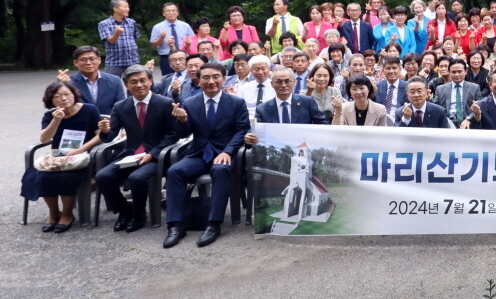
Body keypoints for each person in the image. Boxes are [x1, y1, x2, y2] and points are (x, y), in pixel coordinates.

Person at [163, 61, 250, 248]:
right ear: (198, 80)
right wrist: (183, 120)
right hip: (199, 153)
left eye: (216, 77)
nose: (211, 81)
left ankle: (213, 224)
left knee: (220, 170)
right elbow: (182, 135)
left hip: (225, 152)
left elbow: (242, 130)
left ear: (223, 79)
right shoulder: (190, 102)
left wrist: (228, 151)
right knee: (174, 171)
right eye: (206, 77)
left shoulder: (236, 102)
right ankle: (176, 225)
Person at [94, 65, 181, 231]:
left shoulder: (165, 103)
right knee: (102, 176)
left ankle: (139, 215)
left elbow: (172, 135)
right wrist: (105, 131)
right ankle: (125, 211)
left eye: (143, 80)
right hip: (131, 154)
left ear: (150, 81)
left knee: (137, 178)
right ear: (126, 85)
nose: (139, 85)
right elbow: (111, 136)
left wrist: (153, 154)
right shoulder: (121, 106)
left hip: (158, 156)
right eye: (133, 82)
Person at [21, 82, 102, 233]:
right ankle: (53, 213)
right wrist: (56, 120)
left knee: (66, 177)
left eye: (67, 94)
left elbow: (100, 136)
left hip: (83, 157)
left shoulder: (89, 110)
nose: (63, 99)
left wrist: (80, 150)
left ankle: (67, 214)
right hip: (58, 156)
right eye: (57, 97)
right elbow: (44, 139)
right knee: (41, 176)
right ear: (51, 101)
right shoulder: (50, 115)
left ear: (74, 94)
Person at [58, 46, 126, 116]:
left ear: (99, 60)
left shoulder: (114, 81)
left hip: (109, 124)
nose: (88, 63)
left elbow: (121, 108)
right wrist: (61, 86)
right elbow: (63, 109)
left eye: (92, 59)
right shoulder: (69, 83)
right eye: (83, 60)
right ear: (76, 63)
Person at [253, 68, 330, 125]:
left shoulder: (307, 102)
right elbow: (256, 132)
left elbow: (323, 124)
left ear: (294, 82)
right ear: (272, 84)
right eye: (279, 82)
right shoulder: (262, 109)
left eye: (287, 81)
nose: (283, 85)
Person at [97, 0, 140, 76]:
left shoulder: (131, 22)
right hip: (114, 61)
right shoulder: (104, 24)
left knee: (135, 84)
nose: (128, 9)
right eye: (125, 7)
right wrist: (117, 33)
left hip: (132, 60)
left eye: (128, 7)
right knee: (111, 84)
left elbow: (135, 38)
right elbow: (111, 40)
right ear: (115, 8)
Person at [150, 3, 194, 74]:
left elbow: (193, 41)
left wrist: (188, 43)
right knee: (168, 79)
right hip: (166, 57)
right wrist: (161, 38)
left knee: (186, 78)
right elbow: (153, 44)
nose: (171, 13)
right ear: (163, 13)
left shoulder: (185, 26)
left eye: (173, 10)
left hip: (184, 56)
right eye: (168, 11)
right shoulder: (157, 27)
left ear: (177, 13)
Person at [434, 60, 482, 127]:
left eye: (460, 71)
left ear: (465, 72)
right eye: (453, 72)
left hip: (468, 123)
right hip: (447, 123)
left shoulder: (474, 87)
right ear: (449, 72)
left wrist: (468, 119)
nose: (457, 75)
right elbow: (435, 108)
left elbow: (480, 107)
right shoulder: (440, 89)